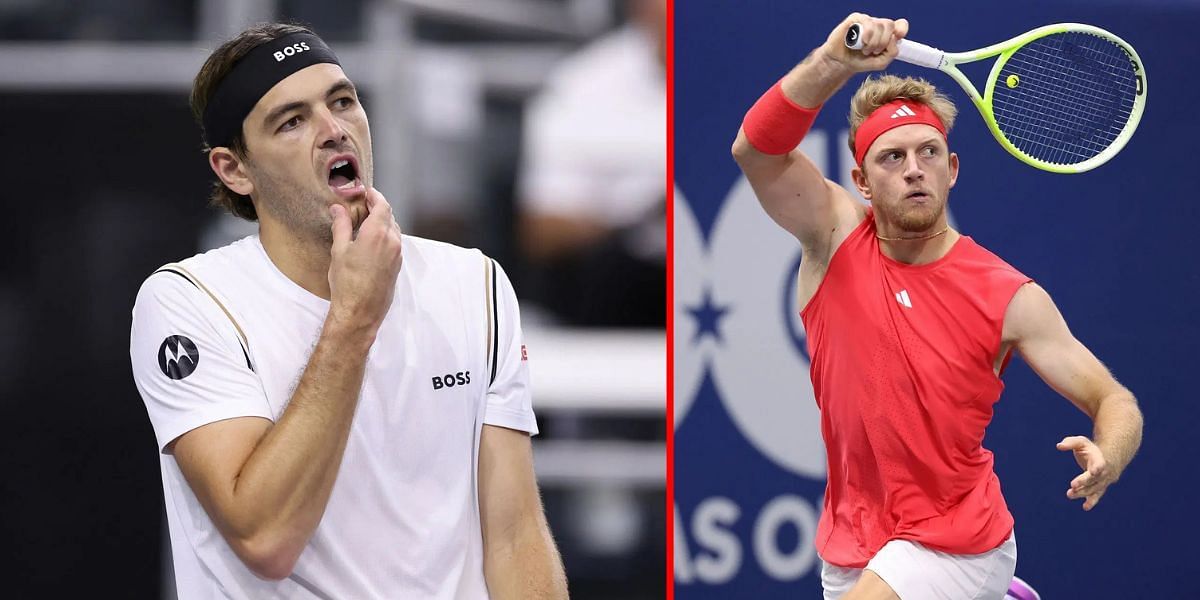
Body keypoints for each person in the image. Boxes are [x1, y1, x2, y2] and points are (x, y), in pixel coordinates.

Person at [129, 23, 568, 599]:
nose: (334, 130)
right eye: (292, 121)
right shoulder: (189, 302)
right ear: (235, 170)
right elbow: (265, 538)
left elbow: (513, 536)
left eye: (342, 102)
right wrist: (354, 318)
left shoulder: (474, 282)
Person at [731, 13, 1143, 600]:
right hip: (852, 542)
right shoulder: (833, 235)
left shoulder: (1008, 295)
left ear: (951, 170)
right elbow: (757, 150)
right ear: (862, 181)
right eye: (892, 158)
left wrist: (1111, 453)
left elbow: (1112, 398)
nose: (914, 169)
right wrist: (833, 63)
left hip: (957, 539)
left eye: (928, 152)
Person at [516, 0, 666, 326]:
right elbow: (543, 230)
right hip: (620, 287)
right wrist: (643, 211)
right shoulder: (582, 87)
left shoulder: (754, 72)